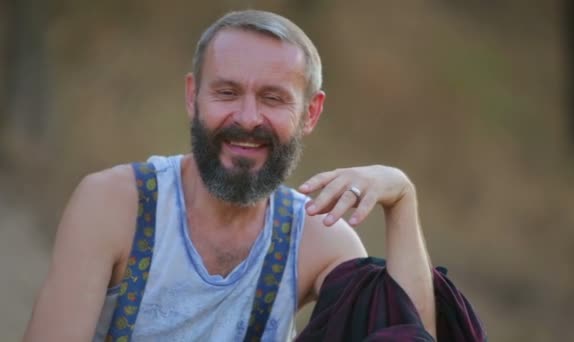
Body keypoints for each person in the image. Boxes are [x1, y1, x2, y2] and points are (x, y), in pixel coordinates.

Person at [24, 10, 483, 342]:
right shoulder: (115, 204)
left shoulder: (317, 237)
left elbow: (404, 332)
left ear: (310, 112)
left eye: (273, 98)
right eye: (226, 92)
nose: (247, 118)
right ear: (193, 96)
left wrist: (401, 198)